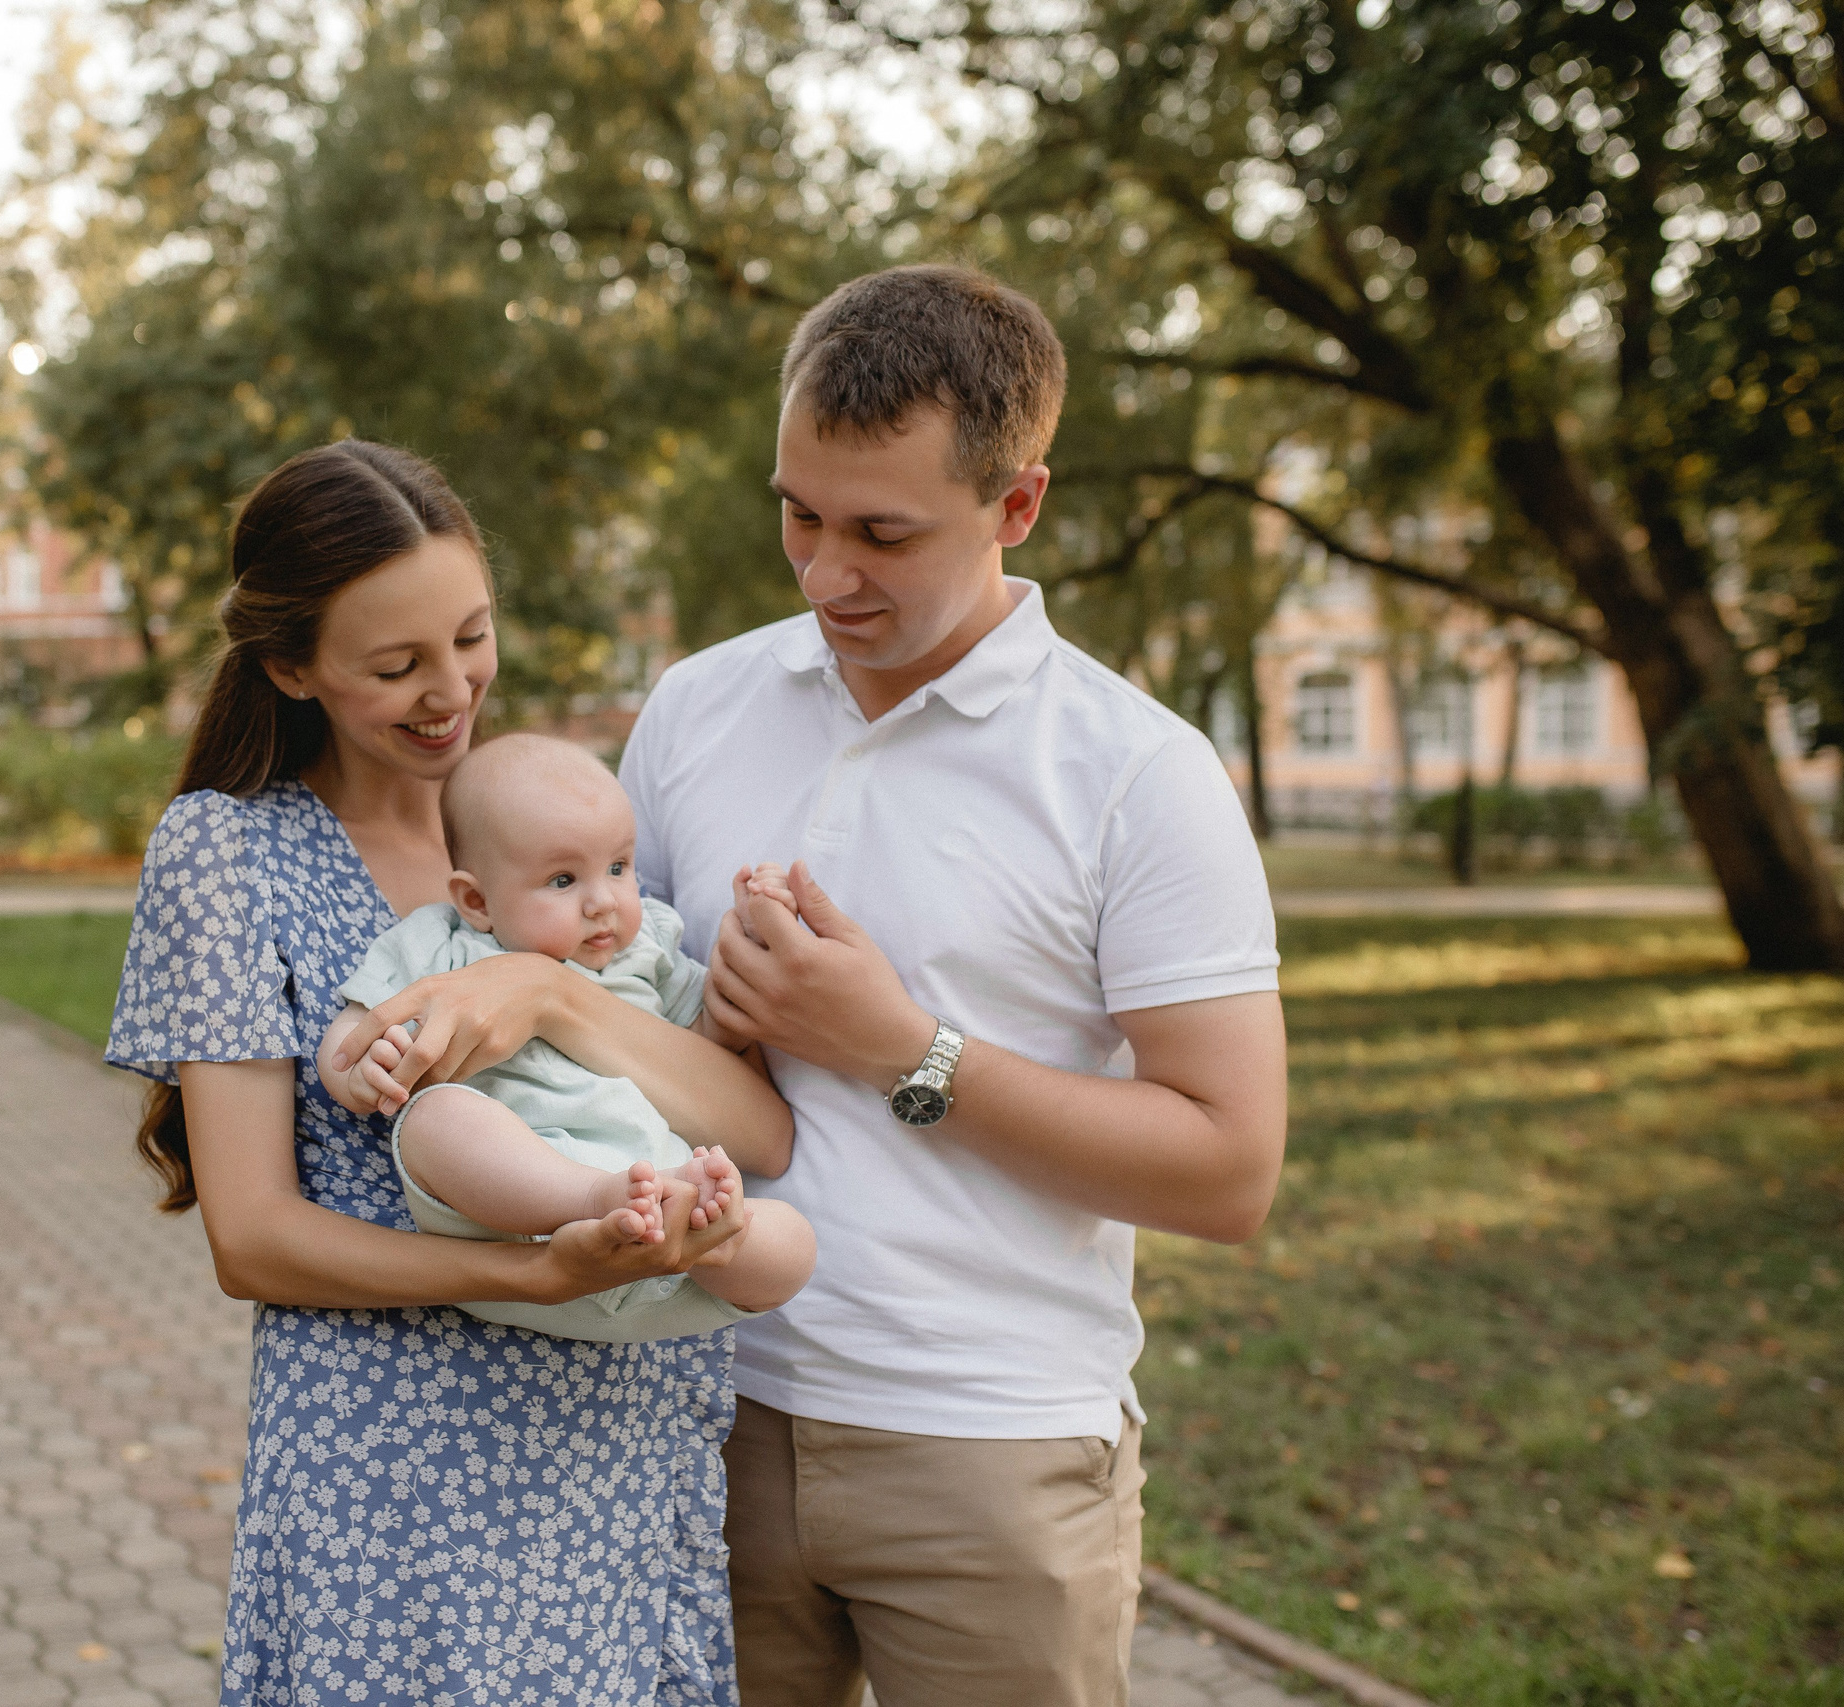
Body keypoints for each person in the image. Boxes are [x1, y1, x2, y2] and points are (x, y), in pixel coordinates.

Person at [617, 264, 1290, 1705]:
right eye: (799, 514)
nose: (824, 574)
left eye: (883, 533)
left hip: (993, 1450)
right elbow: (621, 1029)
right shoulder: (694, 708)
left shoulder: (1138, 773)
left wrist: (899, 1048)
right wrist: (695, 1017)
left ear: (1016, 504)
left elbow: (1230, 1170)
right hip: (695, 1409)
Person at [105, 439, 790, 1707]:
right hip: (399, 1485)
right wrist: (533, 1273)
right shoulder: (230, 854)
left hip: (619, 1449)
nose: (450, 690)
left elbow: (758, 1131)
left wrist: (550, 994)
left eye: (471, 638)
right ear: (290, 666)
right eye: (395, 666)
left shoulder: (560, 835)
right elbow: (254, 1241)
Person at [320, 733, 818, 1342]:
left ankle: (709, 1236)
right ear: (476, 900)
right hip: (520, 1222)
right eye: (563, 880)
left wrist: (752, 940)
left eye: (618, 868)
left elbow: (709, 1041)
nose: (603, 901)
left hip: (663, 1230)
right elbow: (355, 1029)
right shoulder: (441, 943)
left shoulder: (649, 947)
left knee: (793, 1240)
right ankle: (594, 1199)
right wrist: (361, 1068)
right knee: (435, 1117)